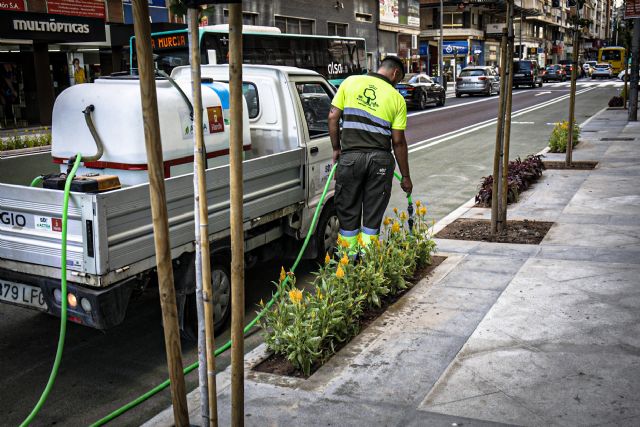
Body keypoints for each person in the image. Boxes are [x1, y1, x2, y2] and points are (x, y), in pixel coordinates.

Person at [328, 56, 413, 256]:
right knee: (372, 216)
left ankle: (348, 266)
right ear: (395, 74)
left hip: (350, 159)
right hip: (380, 162)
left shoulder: (350, 82)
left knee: (348, 214)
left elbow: (332, 117)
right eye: (398, 80)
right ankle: (368, 265)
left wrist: (336, 148)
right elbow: (398, 142)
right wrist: (406, 177)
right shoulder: (396, 98)